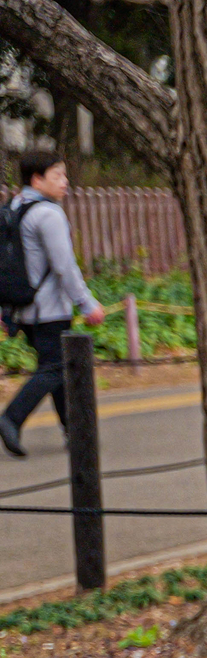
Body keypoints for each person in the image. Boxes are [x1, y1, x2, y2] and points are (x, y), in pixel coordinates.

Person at [1, 150, 107, 459]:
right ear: (37, 179)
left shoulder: (14, 207)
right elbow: (64, 266)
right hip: (50, 309)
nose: (65, 182)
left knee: (58, 368)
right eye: (57, 175)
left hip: (23, 308)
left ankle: (74, 431)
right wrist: (87, 304)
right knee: (56, 367)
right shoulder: (48, 213)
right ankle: (11, 418)